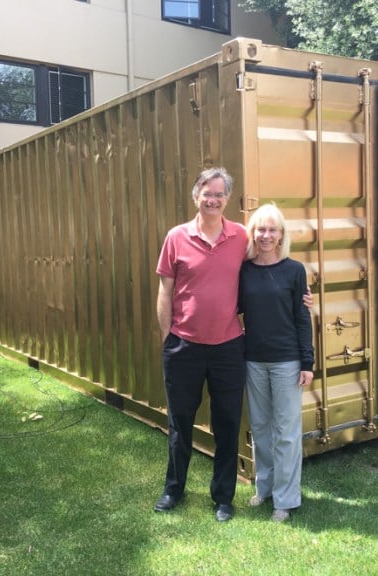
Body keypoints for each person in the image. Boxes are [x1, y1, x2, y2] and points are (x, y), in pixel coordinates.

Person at [153, 167, 247, 522]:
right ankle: (173, 489)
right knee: (180, 423)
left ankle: (223, 497)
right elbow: (165, 291)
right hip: (184, 347)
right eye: (207, 193)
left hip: (228, 348)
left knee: (227, 423)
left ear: (227, 199)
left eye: (220, 194)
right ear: (196, 196)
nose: (213, 200)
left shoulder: (241, 237)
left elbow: (266, 269)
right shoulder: (176, 237)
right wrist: (169, 338)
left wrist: (297, 293)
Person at [238, 203, 315, 522]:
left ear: (281, 234)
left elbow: (302, 317)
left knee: (285, 430)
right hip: (253, 359)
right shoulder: (243, 270)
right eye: (260, 229)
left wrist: (307, 362)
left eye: (272, 230)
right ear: (253, 233)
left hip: (287, 362)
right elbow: (234, 307)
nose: (266, 235)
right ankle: (265, 488)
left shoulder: (294, 270)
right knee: (260, 427)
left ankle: (286, 499)